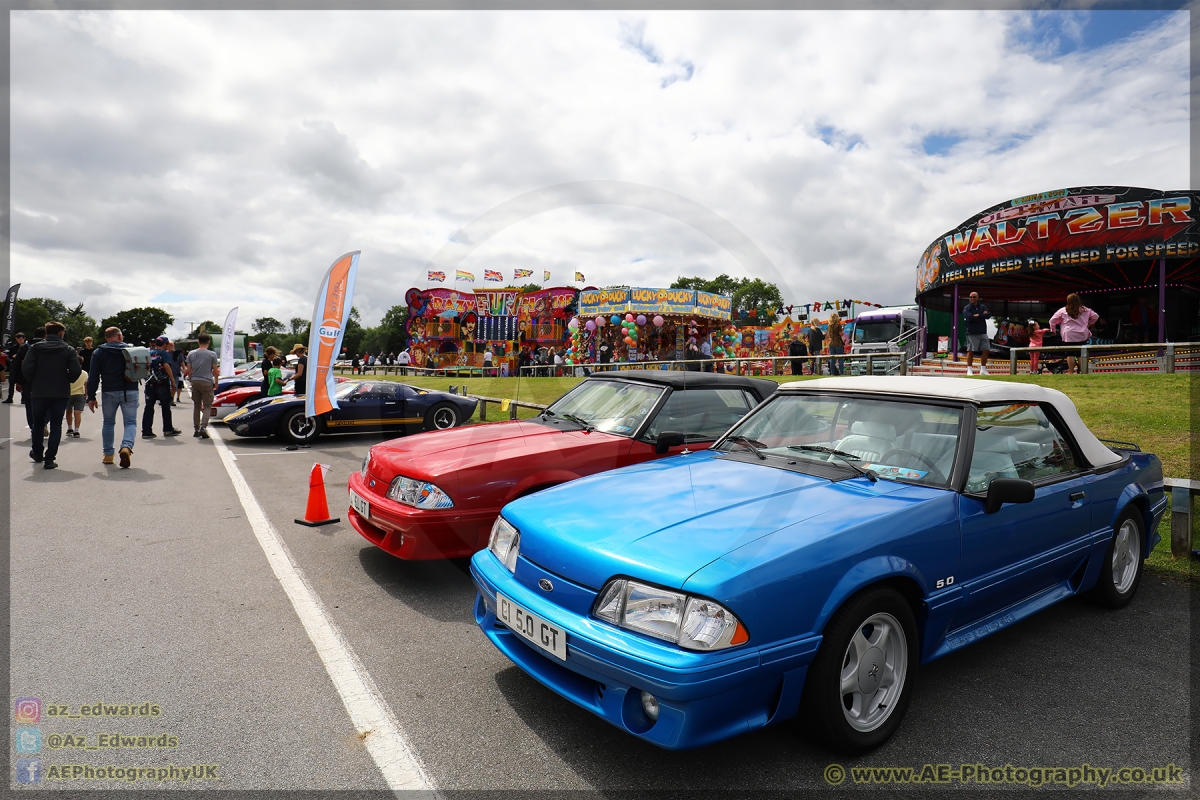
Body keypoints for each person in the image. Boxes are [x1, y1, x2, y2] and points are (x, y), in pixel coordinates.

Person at [22, 321, 82, 470]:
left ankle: (37, 452)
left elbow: (27, 368)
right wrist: (66, 379)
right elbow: (76, 371)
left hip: (39, 391)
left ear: (47, 333)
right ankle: (50, 458)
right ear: (61, 333)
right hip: (60, 392)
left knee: (38, 423)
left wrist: (35, 380)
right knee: (56, 424)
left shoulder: (35, 348)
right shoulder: (68, 350)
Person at [85, 326, 139, 468]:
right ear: (120, 336)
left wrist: (91, 396)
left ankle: (108, 454)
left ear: (106, 338)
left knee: (108, 423)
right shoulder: (131, 350)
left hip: (109, 391)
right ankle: (126, 446)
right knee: (130, 422)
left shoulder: (99, 352)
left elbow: (93, 376)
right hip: (130, 390)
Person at [141, 336, 181, 439]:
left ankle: (146, 430)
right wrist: (172, 381)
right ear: (164, 344)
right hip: (162, 383)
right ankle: (168, 429)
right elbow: (166, 366)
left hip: (150, 383)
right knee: (165, 406)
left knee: (149, 407)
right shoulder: (164, 353)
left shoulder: (150, 353)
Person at [1049, 293, 1099, 374]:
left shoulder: (1063, 310)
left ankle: (1071, 372)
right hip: (1082, 334)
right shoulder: (1085, 310)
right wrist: (1089, 324)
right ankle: (1083, 371)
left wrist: (1053, 330)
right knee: (1080, 353)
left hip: (1069, 335)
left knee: (1070, 354)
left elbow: (1052, 321)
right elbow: (1096, 316)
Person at [185, 332, 220, 438]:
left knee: (196, 405)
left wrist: (191, 381)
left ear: (198, 342)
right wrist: (216, 382)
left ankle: (196, 429)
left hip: (195, 380)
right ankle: (203, 427)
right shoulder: (212, 354)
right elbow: (215, 370)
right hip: (207, 381)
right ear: (208, 342)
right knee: (207, 406)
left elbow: (189, 370)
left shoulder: (191, 353)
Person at [961, 291, 992, 375]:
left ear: (978, 298)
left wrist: (977, 315)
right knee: (971, 350)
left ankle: (983, 369)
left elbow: (988, 315)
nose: (972, 298)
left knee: (986, 349)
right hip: (972, 333)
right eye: (970, 297)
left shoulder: (982, 306)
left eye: (974, 297)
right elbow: (970, 318)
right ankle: (969, 370)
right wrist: (981, 315)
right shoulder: (967, 308)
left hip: (982, 332)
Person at [66, 355, 87, 438]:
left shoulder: (67, 372)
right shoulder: (84, 373)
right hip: (79, 394)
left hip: (68, 394)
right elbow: (86, 384)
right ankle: (76, 430)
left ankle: (69, 428)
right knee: (77, 412)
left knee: (68, 411)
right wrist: (86, 393)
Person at [4, 332, 25, 403]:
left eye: (21, 338)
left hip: (22, 367)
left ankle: (23, 398)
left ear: (24, 339)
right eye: (18, 338)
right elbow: (8, 357)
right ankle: (10, 398)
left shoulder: (26, 347)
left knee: (23, 383)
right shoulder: (14, 347)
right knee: (12, 382)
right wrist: (12, 359)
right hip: (14, 366)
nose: (19, 340)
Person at [166, 340, 184, 404]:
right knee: (167, 387)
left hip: (176, 372)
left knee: (174, 387)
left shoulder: (178, 354)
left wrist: (184, 368)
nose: (171, 347)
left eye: (172, 345)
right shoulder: (165, 353)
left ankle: (171, 399)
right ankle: (166, 399)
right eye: (169, 345)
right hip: (166, 373)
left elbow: (182, 362)